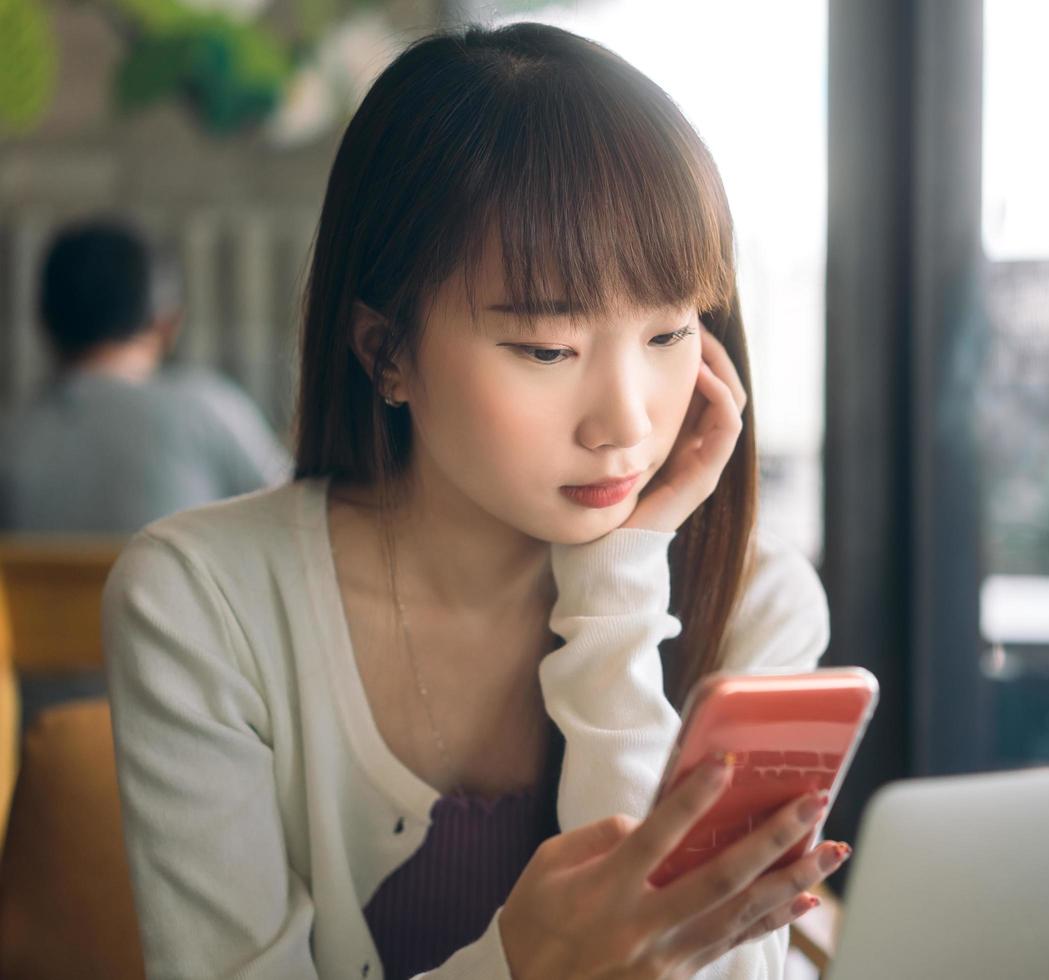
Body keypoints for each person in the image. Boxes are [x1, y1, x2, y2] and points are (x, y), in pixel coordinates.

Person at [102, 23, 844, 980]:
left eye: (668, 335)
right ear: (387, 353)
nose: (624, 422)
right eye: (546, 350)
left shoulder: (760, 597)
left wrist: (620, 580)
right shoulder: (203, 604)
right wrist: (525, 964)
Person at [0, 220, 291, 533]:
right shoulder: (207, 411)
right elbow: (302, 521)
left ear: (45, 323)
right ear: (168, 323)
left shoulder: (14, 437)